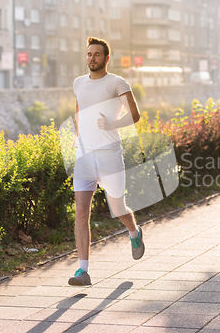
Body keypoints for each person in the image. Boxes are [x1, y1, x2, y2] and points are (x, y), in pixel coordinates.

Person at [68, 37, 145, 286]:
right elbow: (79, 112)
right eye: (89, 54)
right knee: (81, 212)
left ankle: (134, 232)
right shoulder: (78, 83)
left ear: (106, 58)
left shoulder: (117, 83)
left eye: (97, 55)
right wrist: (78, 136)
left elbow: (135, 114)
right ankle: (83, 270)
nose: (92, 58)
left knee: (117, 208)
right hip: (84, 157)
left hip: (110, 154)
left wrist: (112, 124)